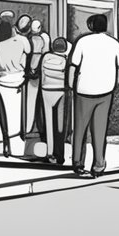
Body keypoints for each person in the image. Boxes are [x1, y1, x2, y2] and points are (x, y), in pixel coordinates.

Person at [68, 14, 119, 178]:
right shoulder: (114, 43)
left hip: (83, 91)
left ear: (91, 25)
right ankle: (98, 165)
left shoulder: (83, 42)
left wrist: (72, 86)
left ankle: (78, 163)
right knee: (99, 131)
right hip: (105, 92)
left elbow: (73, 65)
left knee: (80, 129)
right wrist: (113, 84)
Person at [0, 19, 31, 158]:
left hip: (2, 80)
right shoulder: (20, 42)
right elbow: (28, 52)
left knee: (2, 112)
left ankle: (3, 141)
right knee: (16, 113)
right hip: (18, 80)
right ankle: (17, 147)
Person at [40, 37, 72, 165]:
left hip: (46, 90)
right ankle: (59, 156)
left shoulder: (46, 57)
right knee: (59, 126)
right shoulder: (66, 60)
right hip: (61, 92)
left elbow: (42, 74)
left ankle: (50, 153)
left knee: (48, 124)